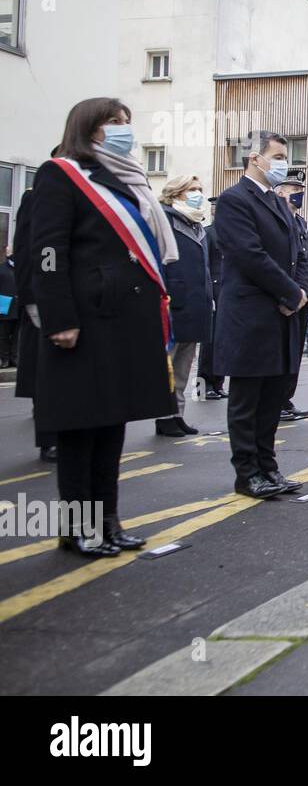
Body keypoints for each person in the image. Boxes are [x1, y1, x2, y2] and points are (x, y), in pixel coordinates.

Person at [29, 97, 176, 555]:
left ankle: (109, 522)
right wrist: (59, 318)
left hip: (124, 320)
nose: (122, 129)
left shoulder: (124, 179)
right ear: (88, 127)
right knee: (79, 430)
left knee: (111, 427)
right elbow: (48, 252)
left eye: (126, 122)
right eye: (113, 122)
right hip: (85, 320)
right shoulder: (61, 174)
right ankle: (78, 530)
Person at [212, 131, 308, 498]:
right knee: (247, 400)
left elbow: (298, 255)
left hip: (282, 314)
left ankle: (269, 468)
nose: (285, 163)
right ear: (255, 158)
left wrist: (300, 293)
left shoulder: (280, 204)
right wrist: (290, 292)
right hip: (251, 315)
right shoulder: (235, 200)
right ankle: (247, 473)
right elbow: (250, 255)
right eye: (279, 156)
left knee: (271, 401)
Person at [156, 174, 212, 437]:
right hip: (172, 303)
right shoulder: (164, 219)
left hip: (194, 304)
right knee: (167, 365)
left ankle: (177, 413)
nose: (197, 193)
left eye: (199, 189)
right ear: (176, 193)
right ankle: (164, 415)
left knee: (183, 366)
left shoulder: (197, 224)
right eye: (192, 189)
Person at [12, 184, 57, 462]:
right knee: (49, 373)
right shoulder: (38, 194)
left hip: (81, 300)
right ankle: (49, 439)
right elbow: (27, 250)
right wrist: (31, 299)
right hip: (45, 300)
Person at [274, 173, 308, 421]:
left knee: (295, 353)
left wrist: (303, 293)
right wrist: (288, 295)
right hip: (282, 299)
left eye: (300, 188)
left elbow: (305, 261)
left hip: (300, 297)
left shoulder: (301, 223)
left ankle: (286, 399)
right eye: (293, 188)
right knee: (279, 353)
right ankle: (275, 402)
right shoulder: (274, 219)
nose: (298, 192)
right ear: (280, 191)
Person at [198, 197, 227, 399]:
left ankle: (218, 382)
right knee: (210, 342)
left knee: (224, 341)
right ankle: (203, 385)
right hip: (214, 289)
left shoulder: (231, 233)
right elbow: (205, 265)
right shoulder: (208, 233)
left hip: (228, 290)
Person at [0, 245, 17, 367]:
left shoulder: (22, 269)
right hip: (4, 307)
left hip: (19, 307)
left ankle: (14, 357)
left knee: (17, 335)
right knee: (3, 334)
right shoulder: (1, 269)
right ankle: (4, 358)